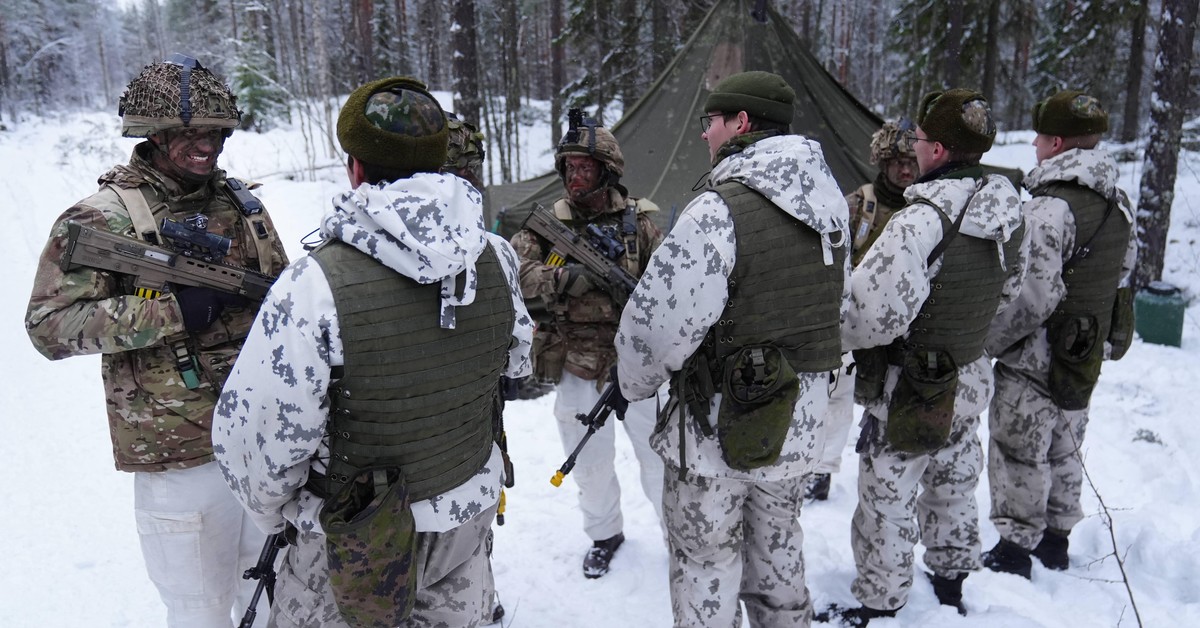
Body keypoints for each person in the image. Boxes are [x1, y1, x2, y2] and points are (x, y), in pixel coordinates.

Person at [212, 77, 533, 627]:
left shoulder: (314, 284)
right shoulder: (497, 258)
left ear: (355, 168)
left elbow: (257, 445)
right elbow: (516, 365)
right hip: (462, 520)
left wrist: (284, 515)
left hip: (348, 542)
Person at [25, 54, 289, 627]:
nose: (206, 146)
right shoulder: (101, 219)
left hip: (261, 438)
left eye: (215, 132)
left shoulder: (244, 206)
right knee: (198, 608)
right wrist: (172, 310)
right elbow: (48, 326)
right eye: (188, 133)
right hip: (176, 455)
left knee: (275, 590)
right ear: (152, 132)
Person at [616, 70, 849, 627]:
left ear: (741, 123)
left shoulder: (718, 209)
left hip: (713, 430)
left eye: (711, 122)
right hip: (797, 421)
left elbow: (654, 331)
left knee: (705, 564)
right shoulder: (831, 204)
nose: (704, 135)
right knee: (778, 556)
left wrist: (633, 384)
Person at [819, 88, 1026, 625]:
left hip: (906, 387)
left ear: (935, 150)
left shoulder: (919, 221)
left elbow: (871, 316)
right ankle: (952, 578)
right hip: (968, 374)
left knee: (887, 496)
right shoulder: (1009, 210)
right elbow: (1009, 291)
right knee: (955, 482)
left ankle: (879, 599)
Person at [982, 90, 1136, 579]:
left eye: (1039, 137)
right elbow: (1125, 271)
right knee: (1067, 446)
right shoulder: (1120, 202)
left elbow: (1033, 296)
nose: (1032, 143)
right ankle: (1056, 539)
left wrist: (989, 342)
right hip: (1082, 353)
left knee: (1018, 449)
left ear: (1056, 142)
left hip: (1035, 355)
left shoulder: (1051, 209)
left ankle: (1013, 548)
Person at [510, 112, 665, 578]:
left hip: (637, 360)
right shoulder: (544, 226)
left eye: (585, 167)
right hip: (576, 361)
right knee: (589, 462)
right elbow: (515, 276)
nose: (576, 176)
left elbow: (670, 284)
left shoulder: (640, 224)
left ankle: (679, 538)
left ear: (607, 170)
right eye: (570, 167)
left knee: (658, 457)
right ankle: (605, 533)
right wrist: (565, 279)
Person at [807, 119, 919, 502]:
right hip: (853, 322)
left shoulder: (926, 209)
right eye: (897, 161)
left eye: (912, 161)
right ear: (882, 161)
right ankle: (821, 469)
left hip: (906, 329)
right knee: (836, 395)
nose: (906, 169)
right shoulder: (859, 206)